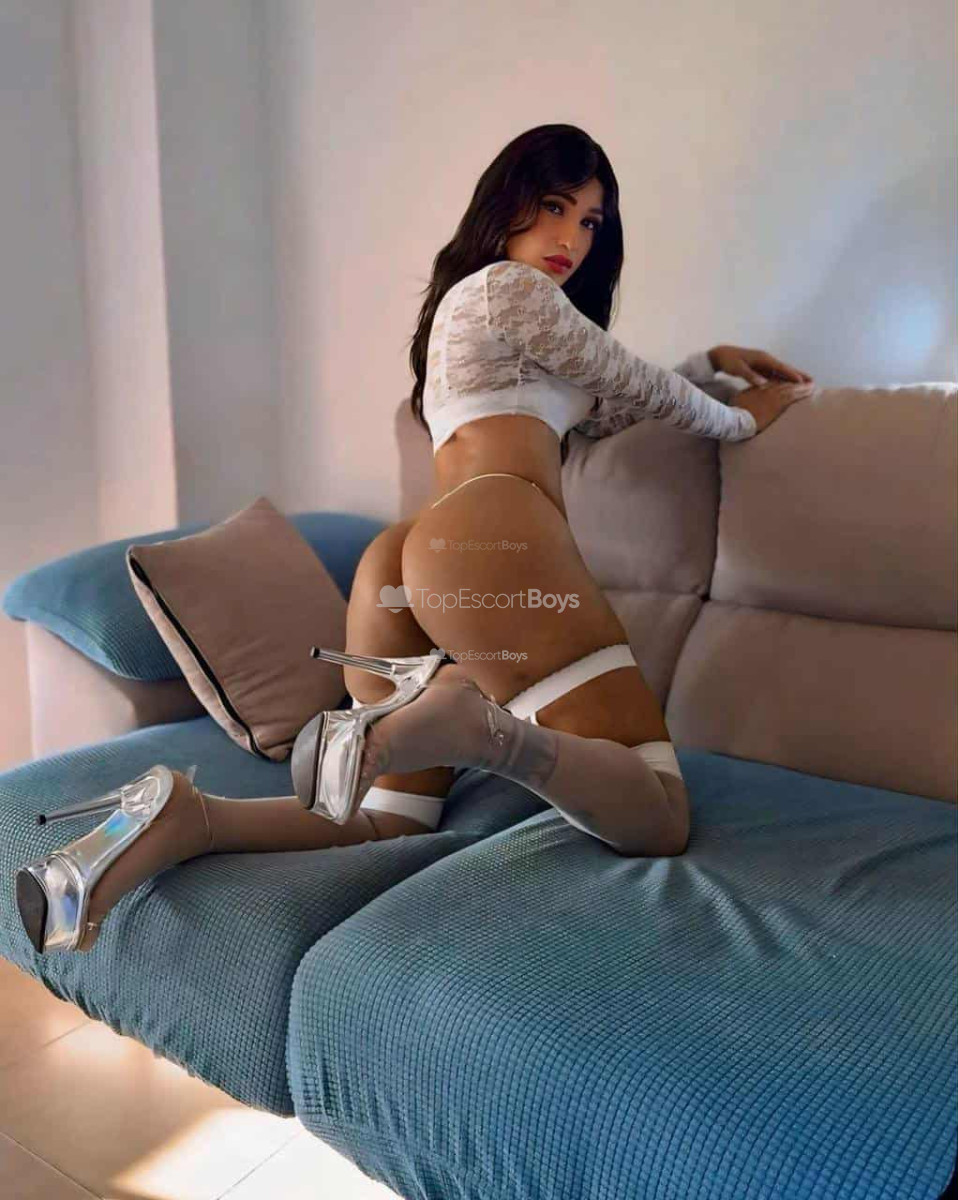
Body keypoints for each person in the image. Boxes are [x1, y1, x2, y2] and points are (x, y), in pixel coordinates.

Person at [15, 123, 815, 954]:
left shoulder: (473, 317)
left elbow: (612, 404)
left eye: (589, 221)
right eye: (553, 206)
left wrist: (707, 362)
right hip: (490, 544)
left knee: (386, 818)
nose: (571, 238)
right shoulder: (511, 289)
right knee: (659, 811)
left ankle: (186, 819)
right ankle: (473, 725)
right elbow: (634, 381)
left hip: (405, 565)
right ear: (506, 201)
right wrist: (741, 417)